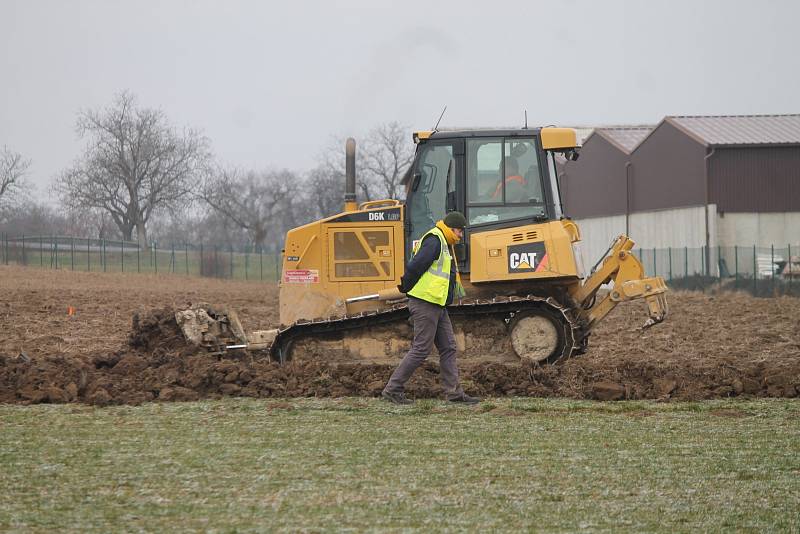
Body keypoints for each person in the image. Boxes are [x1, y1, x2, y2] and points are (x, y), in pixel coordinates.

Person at [382, 211, 480, 405]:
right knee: (421, 349)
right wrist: (406, 287)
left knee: (449, 347)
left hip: (437, 303)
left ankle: (454, 393)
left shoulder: (444, 243)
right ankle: (393, 389)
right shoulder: (435, 240)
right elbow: (415, 266)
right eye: (460, 231)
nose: (461, 236)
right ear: (452, 228)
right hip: (425, 302)